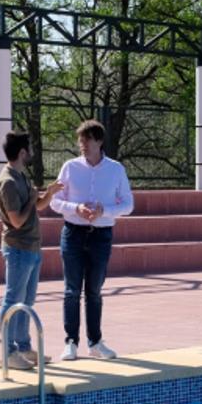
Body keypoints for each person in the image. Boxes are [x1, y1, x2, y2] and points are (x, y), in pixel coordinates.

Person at [50, 119, 134, 360]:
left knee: (94, 291)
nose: (81, 145)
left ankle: (95, 342)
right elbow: (55, 201)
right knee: (71, 290)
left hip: (101, 235)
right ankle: (70, 342)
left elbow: (128, 204)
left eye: (86, 140)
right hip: (73, 233)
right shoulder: (69, 167)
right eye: (80, 140)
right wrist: (76, 208)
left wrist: (103, 211)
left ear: (98, 141)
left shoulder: (116, 169)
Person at [0, 131, 63, 370]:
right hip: (18, 248)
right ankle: (8, 352)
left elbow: (37, 206)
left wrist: (48, 194)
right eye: (30, 148)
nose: (32, 152)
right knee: (13, 299)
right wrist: (32, 198)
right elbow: (16, 220)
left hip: (32, 248)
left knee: (27, 301)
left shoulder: (21, 176)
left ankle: (23, 347)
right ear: (22, 152)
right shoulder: (8, 182)